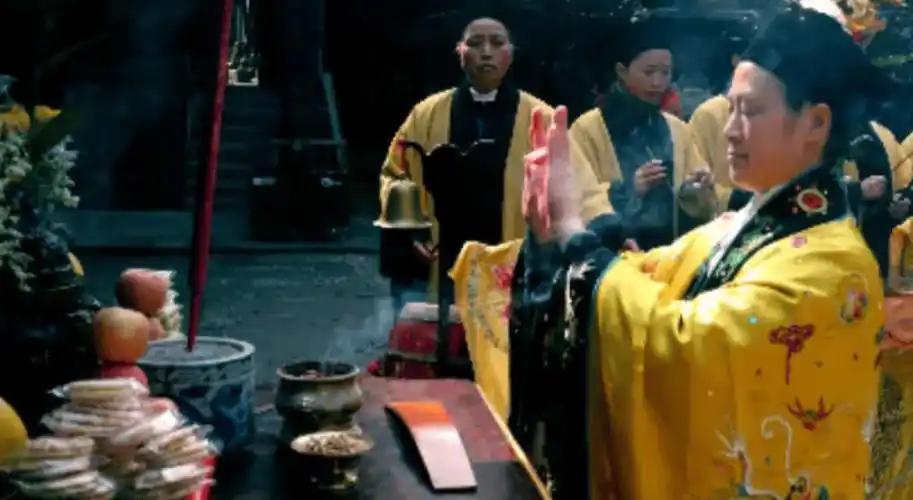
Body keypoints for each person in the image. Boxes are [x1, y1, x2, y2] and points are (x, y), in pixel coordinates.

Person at [513, 6, 902, 498]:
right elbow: (638, 278)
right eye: (730, 107)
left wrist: (574, 232)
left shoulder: (835, 266)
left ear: (816, 123)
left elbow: (688, 345)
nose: (730, 130)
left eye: (751, 111)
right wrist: (552, 237)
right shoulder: (736, 229)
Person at [378, 17, 610, 303]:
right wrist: (413, 230)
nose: (486, 52)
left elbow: (581, 183)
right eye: (475, 43)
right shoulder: (426, 114)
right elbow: (396, 173)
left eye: (497, 43)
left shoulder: (541, 116)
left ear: (510, 54)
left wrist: (608, 227)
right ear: (460, 52)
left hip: (513, 257)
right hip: (445, 251)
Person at [568, 18, 716, 251]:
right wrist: (631, 189)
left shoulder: (677, 128)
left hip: (671, 254)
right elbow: (578, 200)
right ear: (622, 71)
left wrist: (693, 191)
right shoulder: (588, 129)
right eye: (649, 72)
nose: (658, 83)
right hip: (614, 256)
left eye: (666, 73)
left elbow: (700, 202)